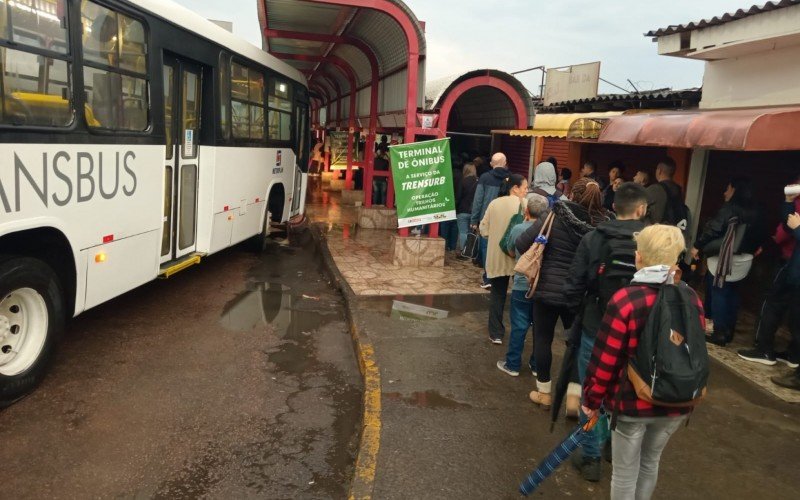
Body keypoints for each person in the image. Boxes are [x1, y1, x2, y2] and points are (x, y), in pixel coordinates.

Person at [581, 224, 704, 500]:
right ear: (675, 258)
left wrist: (591, 399)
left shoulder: (626, 299)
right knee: (650, 462)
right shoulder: (691, 298)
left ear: (639, 257)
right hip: (677, 399)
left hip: (631, 402)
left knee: (625, 472)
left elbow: (605, 359)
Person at [564, 182, 648, 482]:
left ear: (614, 207)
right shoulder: (653, 240)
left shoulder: (594, 238)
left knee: (592, 390)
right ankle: (615, 446)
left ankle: (590, 457)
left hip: (596, 326)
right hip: (641, 332)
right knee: (628, 390)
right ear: (642, 209)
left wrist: (580, 314)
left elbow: (573, 284)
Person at [516, 177, 609, 408]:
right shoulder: (603, 226)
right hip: (580, 295)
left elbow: (521, 242)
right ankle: (574, 398)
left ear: (573, 195)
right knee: (576, 342)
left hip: (546, 289)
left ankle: (544, 393)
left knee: (543, 339)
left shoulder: (554, 215)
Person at [691, 178, 763, 346]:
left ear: (735, 190)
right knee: (733, 293)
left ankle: (719, 333)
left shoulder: (729, 208)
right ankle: (729, 331)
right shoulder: (757, 210)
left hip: (725, 259)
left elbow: (714, 229)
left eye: (728, 189)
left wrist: (697, 246)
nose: (725, 192)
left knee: (720, 293)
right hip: (746, 259)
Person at [738, 186, 800, 372]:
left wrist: (797, 229)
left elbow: (785, 231)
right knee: (793, 313)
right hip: (793, 264)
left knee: (772, 303)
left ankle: (764, 349)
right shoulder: (795, 200)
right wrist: (789, 202)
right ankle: (794, 355)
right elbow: (787, 222)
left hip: (789, 263)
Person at [497, 193, 550, 376]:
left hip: (521, 283)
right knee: (540, 328)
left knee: (519, 325)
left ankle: (512, 364)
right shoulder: (549, 231)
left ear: (526, 211)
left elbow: (511, 251)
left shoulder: (518, 229)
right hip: (542, 285)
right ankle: (536, 366)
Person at [480, 174, 529, 343]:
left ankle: (496, 333)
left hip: (497, 258)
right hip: (519, 259)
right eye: (525, 188)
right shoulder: (526, 205)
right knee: (519, 295)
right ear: (515, 188)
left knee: (497, 295)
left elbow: (484, 230)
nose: (527, 191)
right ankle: (518, 332)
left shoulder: (495, 203)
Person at [471, 153, 511, 288]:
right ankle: (500, 277)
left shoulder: (485, 178)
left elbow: (478, 200)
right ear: (505, 163)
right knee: (502, 248)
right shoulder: (511, 179)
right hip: (506, 221)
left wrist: (474, 220)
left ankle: (488, 278)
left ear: (491, 164)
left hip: (487, 220)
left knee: (486, 248)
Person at [644, 157, 682, 225]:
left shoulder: (654, 189)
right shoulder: (679, 189)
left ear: (659, 171)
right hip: (673, 231)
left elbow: (640, 210)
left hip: (657, 232)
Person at [441, 157, 464, 252]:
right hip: (456, 204)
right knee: (454, 227)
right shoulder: (461, 176)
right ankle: (453, 246)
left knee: (445, 225)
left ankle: (444, 245)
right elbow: (459, 192)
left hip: (446, 203)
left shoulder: (447, 174)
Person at [456, 163, 478, 254]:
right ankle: (470, 251)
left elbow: (458, 196)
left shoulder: (463, 181)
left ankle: (463, 251)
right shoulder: (478, 182)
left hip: (462, 210)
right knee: (471, 233)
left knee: (462, 232)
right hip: (474, 211)